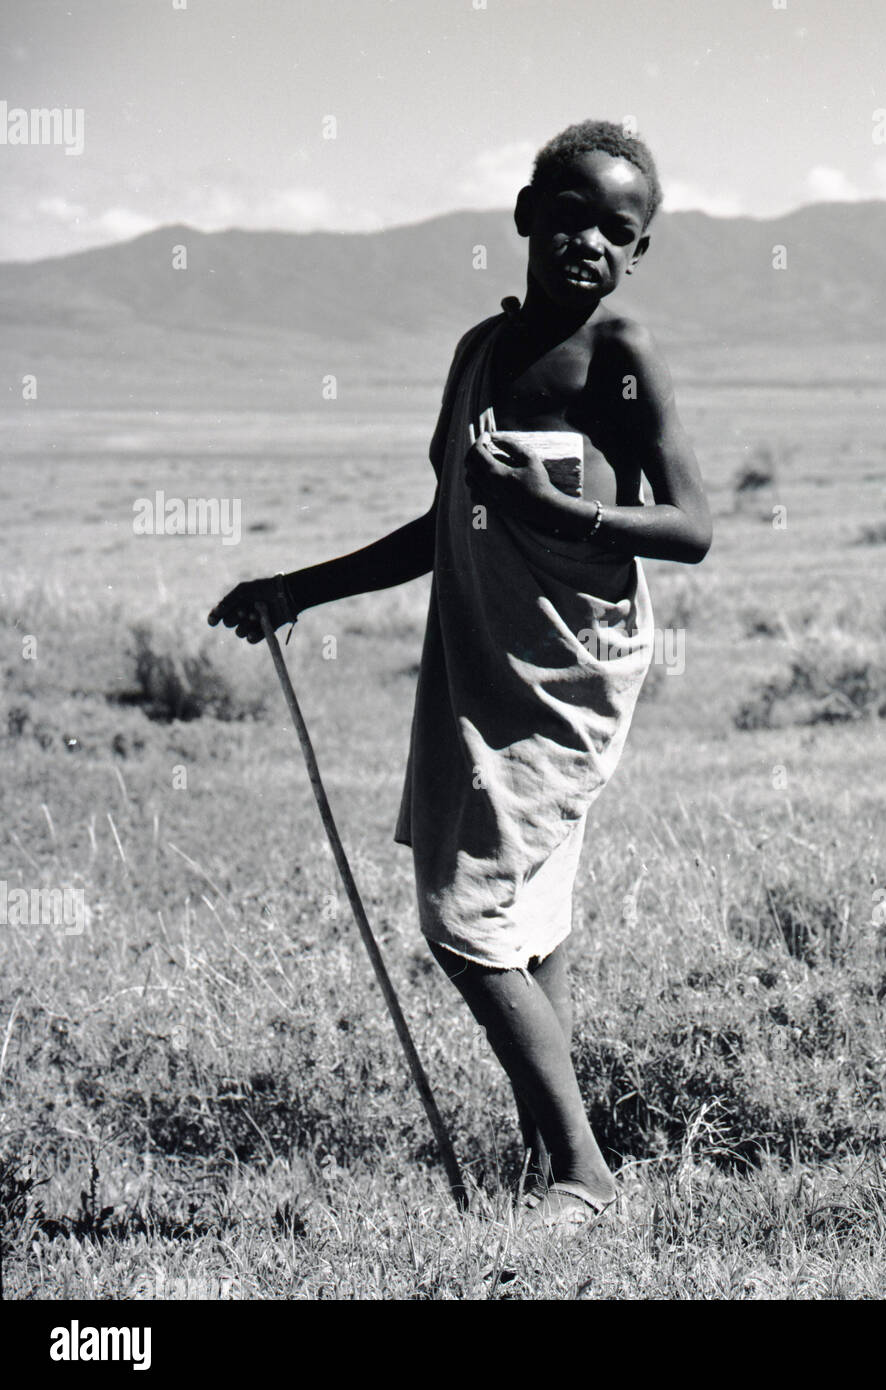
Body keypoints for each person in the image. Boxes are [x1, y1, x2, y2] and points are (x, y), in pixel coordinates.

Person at [209, 119, 711, 1227]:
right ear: (526, 214)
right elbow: (443, 523)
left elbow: (690, 527)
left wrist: (556, 506)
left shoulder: (619, 355)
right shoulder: (477, 357)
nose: (587, 241)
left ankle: (584, 1175)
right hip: (475, 654)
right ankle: (550, 1156)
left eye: (615, 231)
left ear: (639, 251)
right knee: (528, 916)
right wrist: (296, 587)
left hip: (563, 669)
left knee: (466, 921)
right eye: (568, 215)